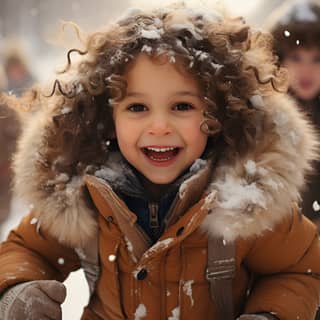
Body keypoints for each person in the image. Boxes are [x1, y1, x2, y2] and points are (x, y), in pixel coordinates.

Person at [0, 3, 319, 319]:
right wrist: (18, 290)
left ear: (218, 114)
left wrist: (271, 314)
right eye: (137, 108)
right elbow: (25, 250)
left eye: (182, 106)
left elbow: (301, 269)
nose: (159, 127)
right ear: (109, 116)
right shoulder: (82, 195)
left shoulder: (245, 200)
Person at [267, 0, 320, 226]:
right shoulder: (267, 110)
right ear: (278, 60)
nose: (306, 70)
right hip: (282, 228)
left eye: (317, 59)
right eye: (296, 58)